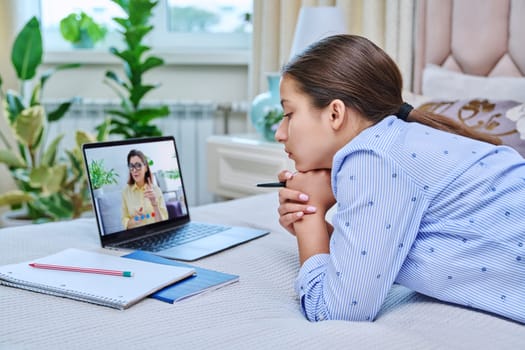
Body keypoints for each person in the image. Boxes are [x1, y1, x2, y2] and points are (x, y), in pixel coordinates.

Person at [274, 34, 525, 324]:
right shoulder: (395, 144)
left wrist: (309, 216)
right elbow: (374, 263)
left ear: (335, 113)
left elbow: (335, 310)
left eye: (289, 114)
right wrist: (323, 229)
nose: (280, 133)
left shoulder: (374, 157)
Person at [122, 149, 168, 229]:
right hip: (136, 236)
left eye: (138, 165)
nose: (134, 170)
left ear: (146, 168)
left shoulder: (156, 190)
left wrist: (154, 204)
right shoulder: (125, 192)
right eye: (131, 166)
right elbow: (125, 221)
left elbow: (163, 224)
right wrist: (135, 220)